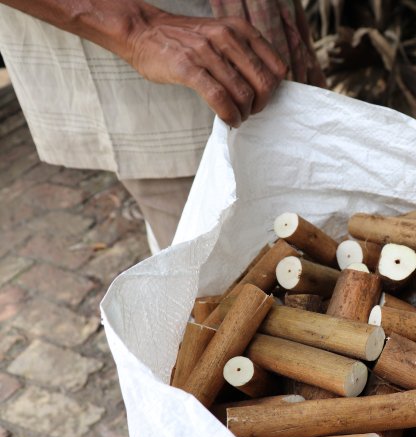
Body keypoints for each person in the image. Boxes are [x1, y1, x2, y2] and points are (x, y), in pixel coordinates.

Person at [0, 0, 324, 250]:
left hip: (237, 31)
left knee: (304, 219)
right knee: (216, 271)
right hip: (160, 64)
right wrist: (138, 29)